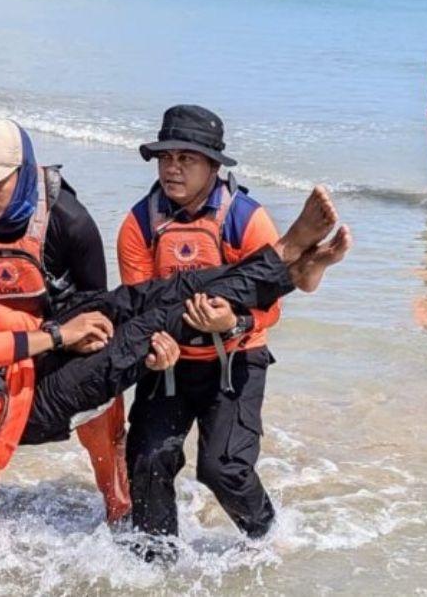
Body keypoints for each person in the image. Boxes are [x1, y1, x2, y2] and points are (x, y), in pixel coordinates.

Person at [0, 187, 351, 527]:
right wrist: (58, 336)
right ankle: (283, 261)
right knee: (159, 323)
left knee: (146, 296)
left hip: (27, 361)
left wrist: (57, 330)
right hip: (20, 405)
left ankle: (284, 266)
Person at [0, 118, 130, 524]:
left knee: (104, 429)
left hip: (65, 343)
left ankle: (121, 516)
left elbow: (97, 306)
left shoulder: (71, 220)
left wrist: (70, 342)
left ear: (26, 171)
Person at [117, 104, 285, 548]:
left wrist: (235, 320)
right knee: (149, 459)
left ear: (213, 166)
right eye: (166, 158)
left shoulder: (248, 220)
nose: (172, 169)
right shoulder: (138, 225)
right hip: (169, 365)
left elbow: (274, 307)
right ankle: (155, 565)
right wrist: (155, 344)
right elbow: (137, 305)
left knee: (223, 469)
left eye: (186, 159)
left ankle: (271, 538)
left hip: (235, 360)